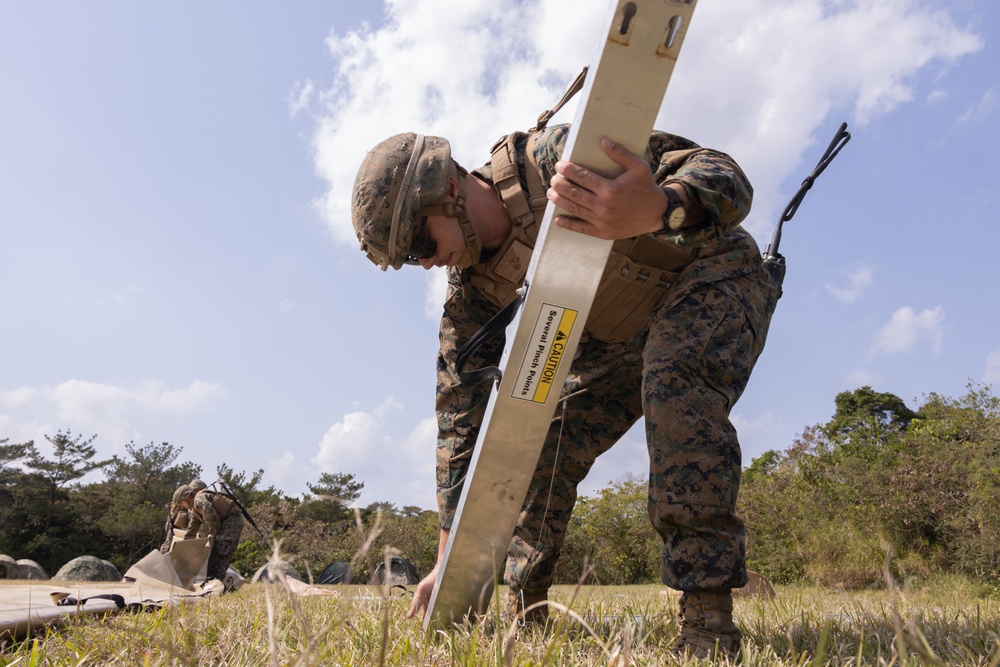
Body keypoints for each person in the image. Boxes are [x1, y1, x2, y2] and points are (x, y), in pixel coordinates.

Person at [350, 119, 778, 659]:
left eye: (419, 242)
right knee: (540, 440)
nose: (427, 261)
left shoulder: (553, 161)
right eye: (412, 259)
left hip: (714, 279)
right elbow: (458, 421)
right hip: (620, 338)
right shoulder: (472, 293)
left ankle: (707, 621)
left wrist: (659, 206)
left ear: (448, 190)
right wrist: (448, 558)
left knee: (673, 384)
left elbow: (726, 175)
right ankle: (525, 611)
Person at [177, 484, 245, 585]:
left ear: (187, 497)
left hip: (232, 520)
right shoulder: (195, 510)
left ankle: (216, 583)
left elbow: (210, 513)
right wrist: (181, 549)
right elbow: (191, 531)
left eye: (181, 502)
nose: (182, 506)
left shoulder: (198, 500)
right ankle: (214, 582)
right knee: (216, 553)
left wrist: (215, 533)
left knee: (221, 551)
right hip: (228, 521)